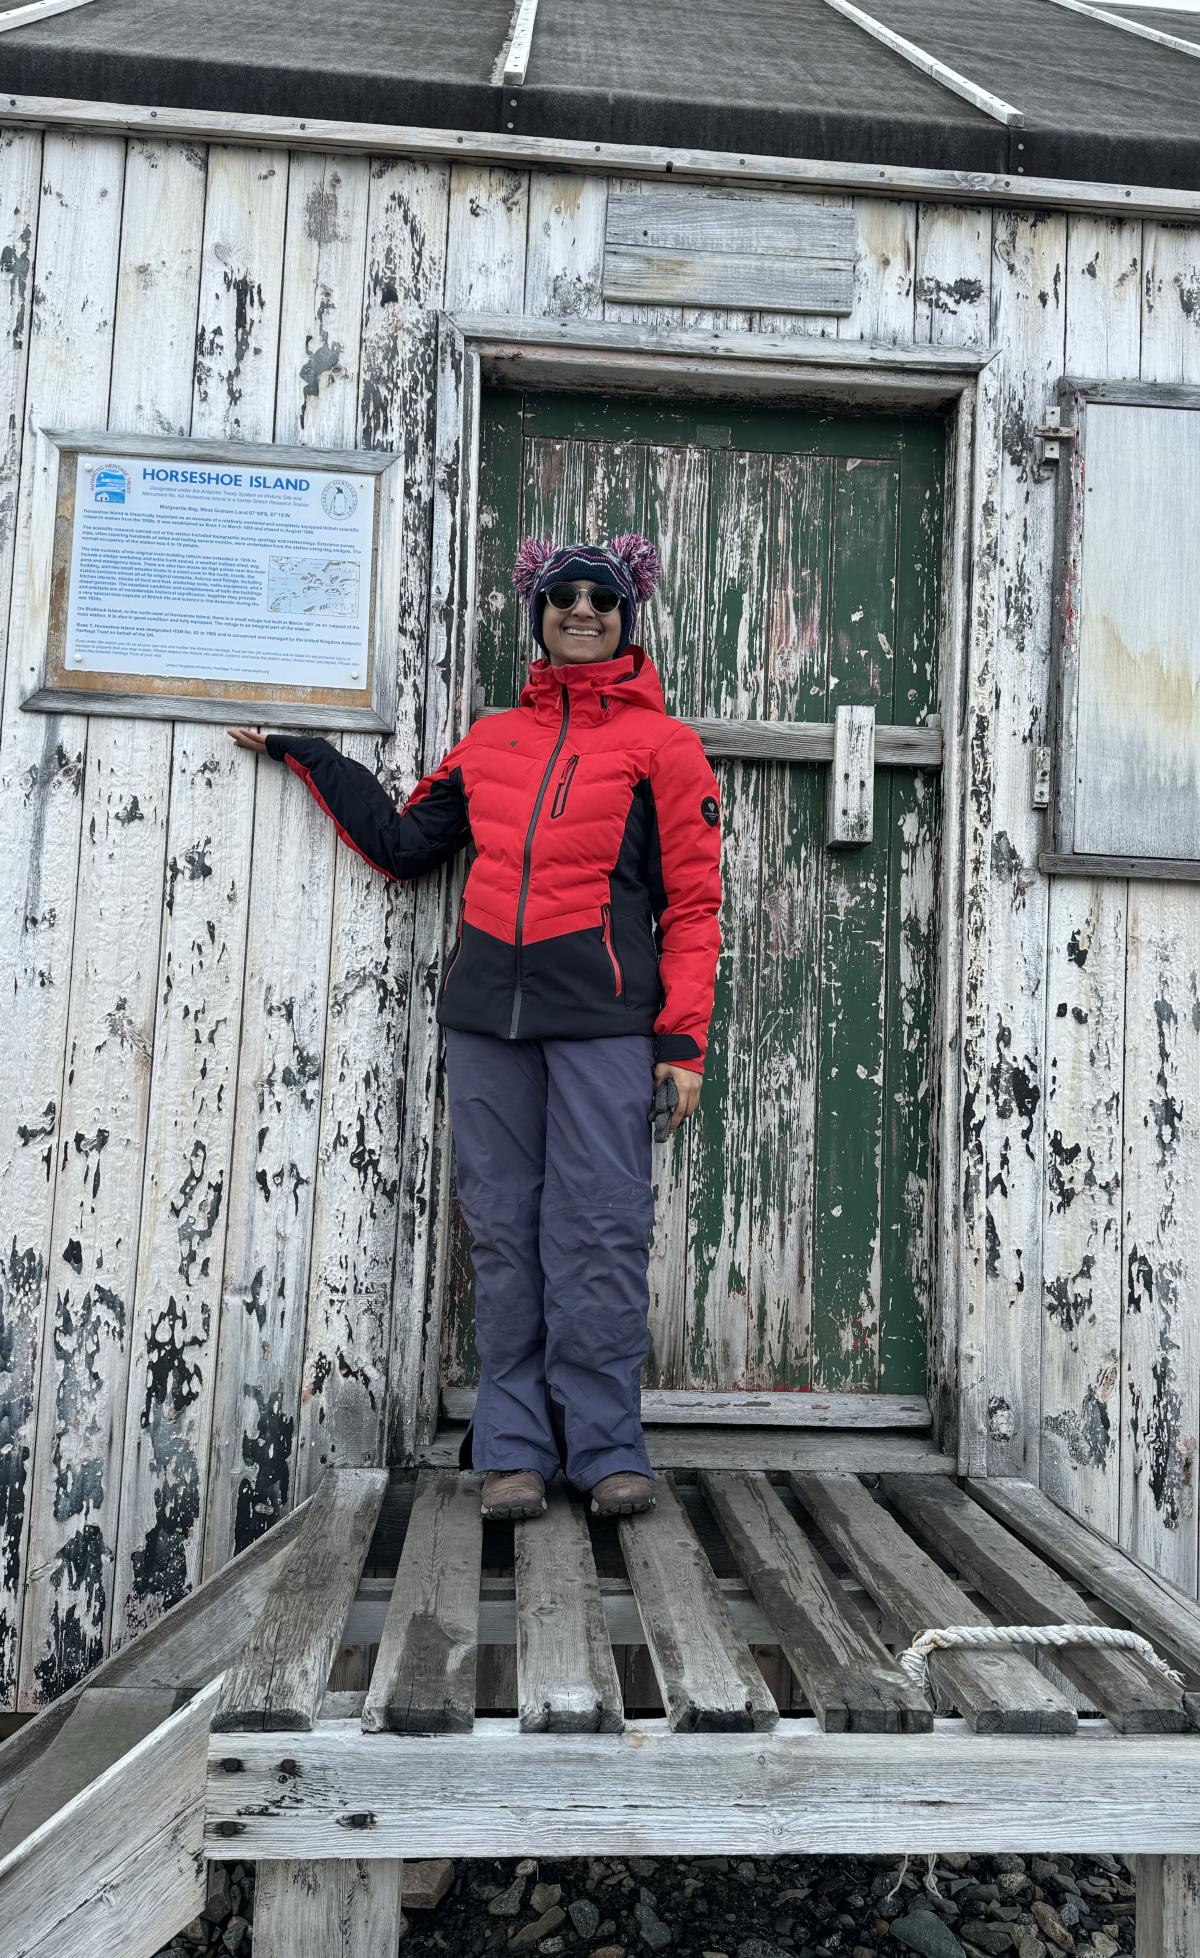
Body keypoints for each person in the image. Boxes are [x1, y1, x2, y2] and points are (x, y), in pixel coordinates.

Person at [228, 531, 722, 1522]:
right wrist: (311, 754)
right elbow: (408, 845)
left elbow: (695, 903)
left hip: (603, 1024)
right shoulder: (493, 738)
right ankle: (512, 1451)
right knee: (503, 1236)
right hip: (486, 1023)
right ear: (537, 613)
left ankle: (606, 1446)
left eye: (602, 597)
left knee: (599, 1234)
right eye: (562, 595)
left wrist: (682, 1039)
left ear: (628, 618)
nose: (581, 609)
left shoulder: (662, 748)